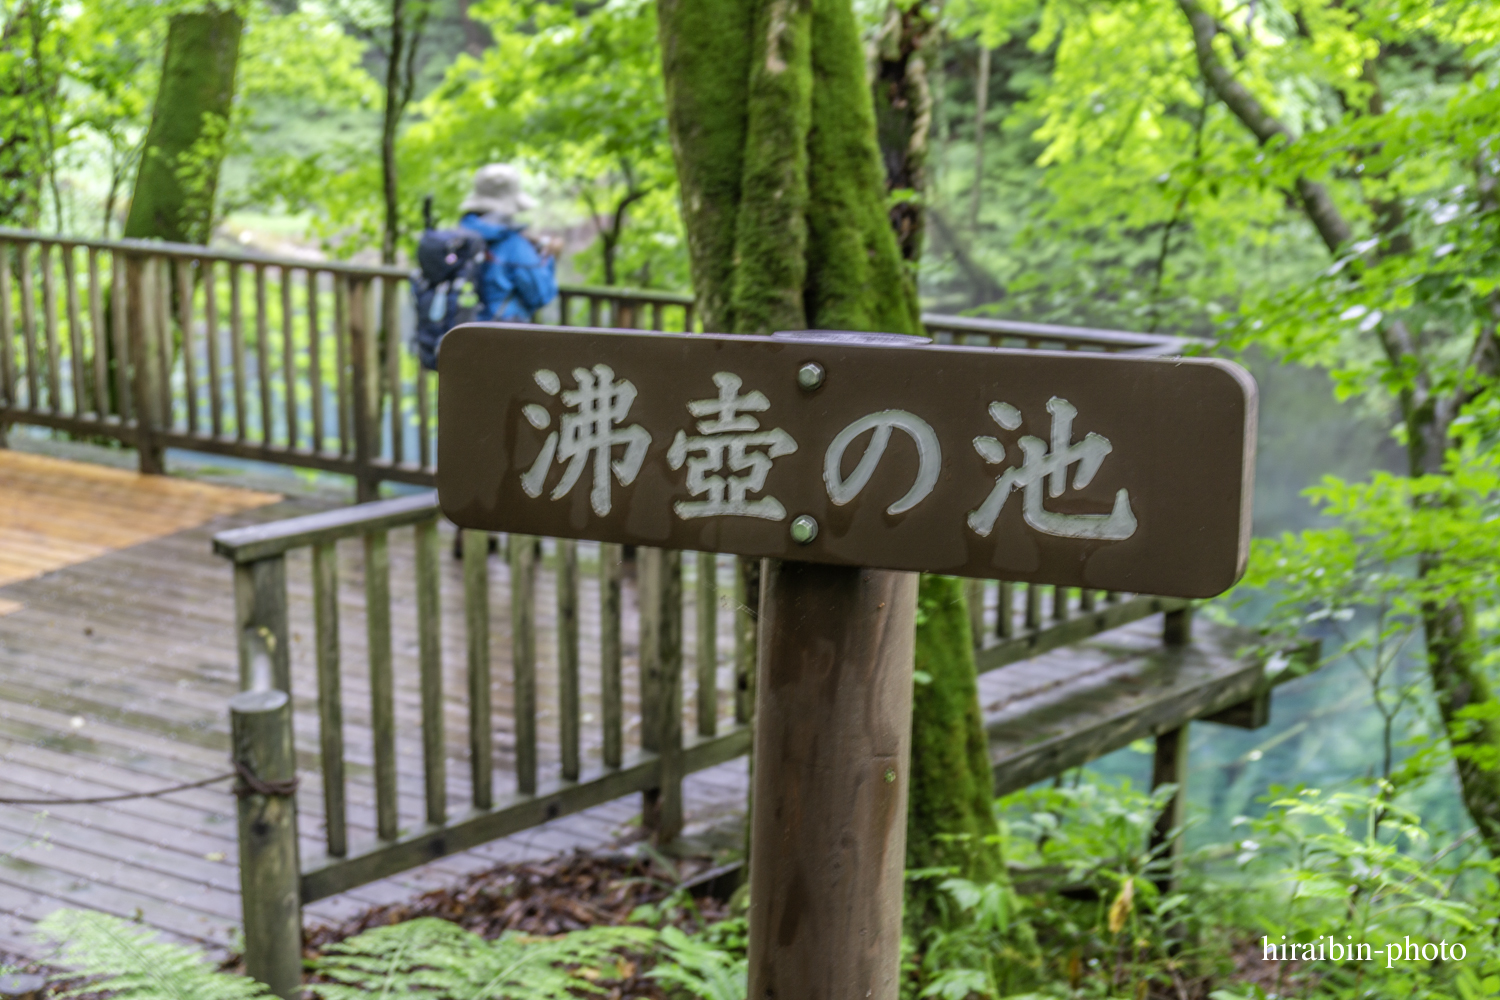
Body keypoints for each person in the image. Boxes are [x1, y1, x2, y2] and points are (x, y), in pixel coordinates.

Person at [457, 164, 560, 321]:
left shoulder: (460, 235)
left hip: (456, 335)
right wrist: (550, 256)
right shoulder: (513, 244)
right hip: (499, 337)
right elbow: (541, 295)